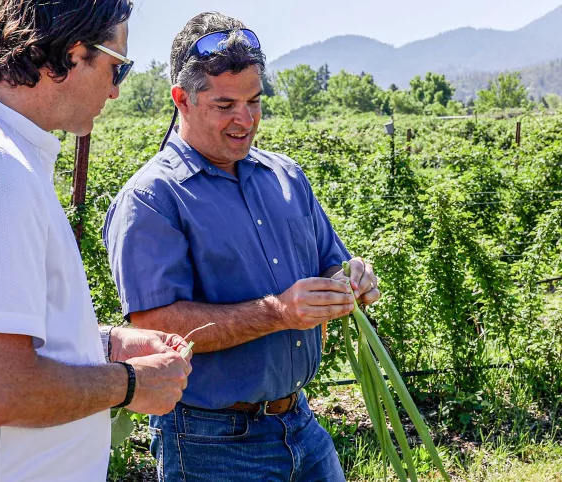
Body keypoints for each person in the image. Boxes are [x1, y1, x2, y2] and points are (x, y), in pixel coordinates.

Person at [103, 11, 381, 482]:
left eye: (254, 101)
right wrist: (280, 312)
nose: (245, 119)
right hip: (212, 441)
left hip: (301, 424)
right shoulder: (153, 199)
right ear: (182, 100)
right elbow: (155, 326)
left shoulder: (285, 176)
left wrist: (349, 280)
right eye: (225, 104)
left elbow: (331, 263)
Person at [0, 1, 192, 480]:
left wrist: (104, 344)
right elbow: (1, 389)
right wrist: (132, 384)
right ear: (65, 57)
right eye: (117, 67)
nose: (114, 92)